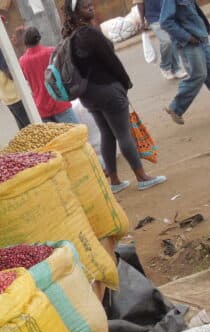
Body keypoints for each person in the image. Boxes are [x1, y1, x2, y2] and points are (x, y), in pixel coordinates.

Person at [62, 0, 166, 193]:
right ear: (76, 13)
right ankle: (142, 177)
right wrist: (125, 83)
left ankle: (116, 181)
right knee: (123, 134)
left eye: (90, 4)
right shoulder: (91, 34)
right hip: (108, 90)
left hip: (89, 96)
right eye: (86, 6)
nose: (91, 7)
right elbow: (112, 62)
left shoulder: (71, 37)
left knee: (107, 135)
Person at [19, 26, 79, 124]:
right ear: (39, 37)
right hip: (59, 102)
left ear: (25, 41)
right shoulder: (51, 52)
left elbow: (26, 79)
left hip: (41, 107)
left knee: (56, 138)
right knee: (77, 135)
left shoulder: (22, 61)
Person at [0, 21, 30, 130]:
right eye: (0, 25)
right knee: (32, 128)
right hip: (15, 94)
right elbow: (11, 74)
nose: (4, 27)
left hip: (7, 95)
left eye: (3, 24)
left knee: (25, 129)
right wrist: (19, 48)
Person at [134, 0, 185, 80]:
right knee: (166, 42)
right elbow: (139, 3)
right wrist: (142, 21)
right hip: (154, 18)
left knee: (172, 41)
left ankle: (176, 68)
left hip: (169, 14)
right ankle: (165, 66)